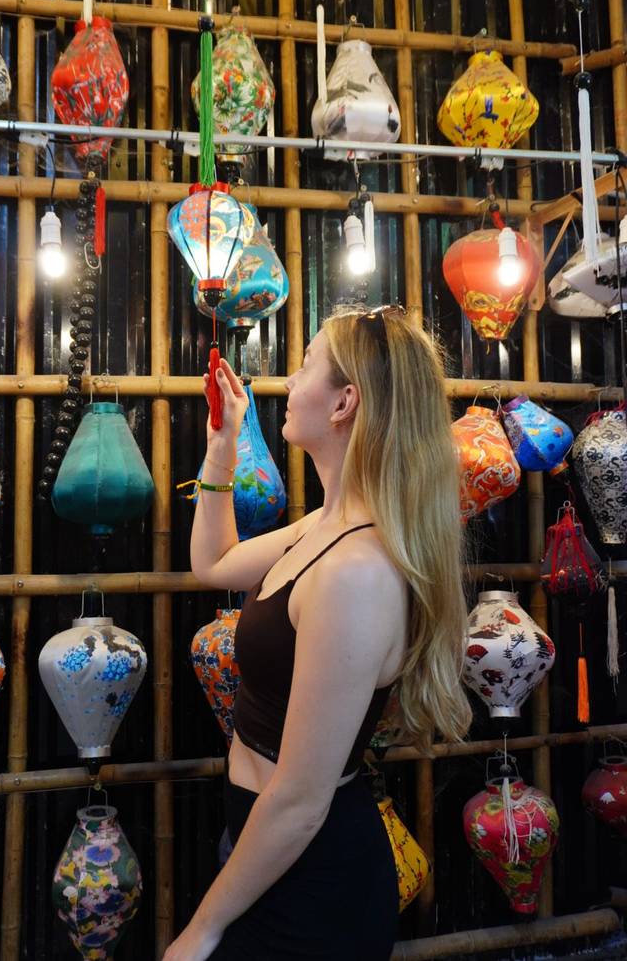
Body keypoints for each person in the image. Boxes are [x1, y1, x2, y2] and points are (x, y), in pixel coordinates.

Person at [163, 306, 472, 961]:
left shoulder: (356, 571)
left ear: (343, 403)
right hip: (262, 840)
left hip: (312, 872)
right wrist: (224, 443)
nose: (286, 382)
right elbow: (212, 564)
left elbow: (302, 799)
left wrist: (202, 929)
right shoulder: (320, 528)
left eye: (304, 365)